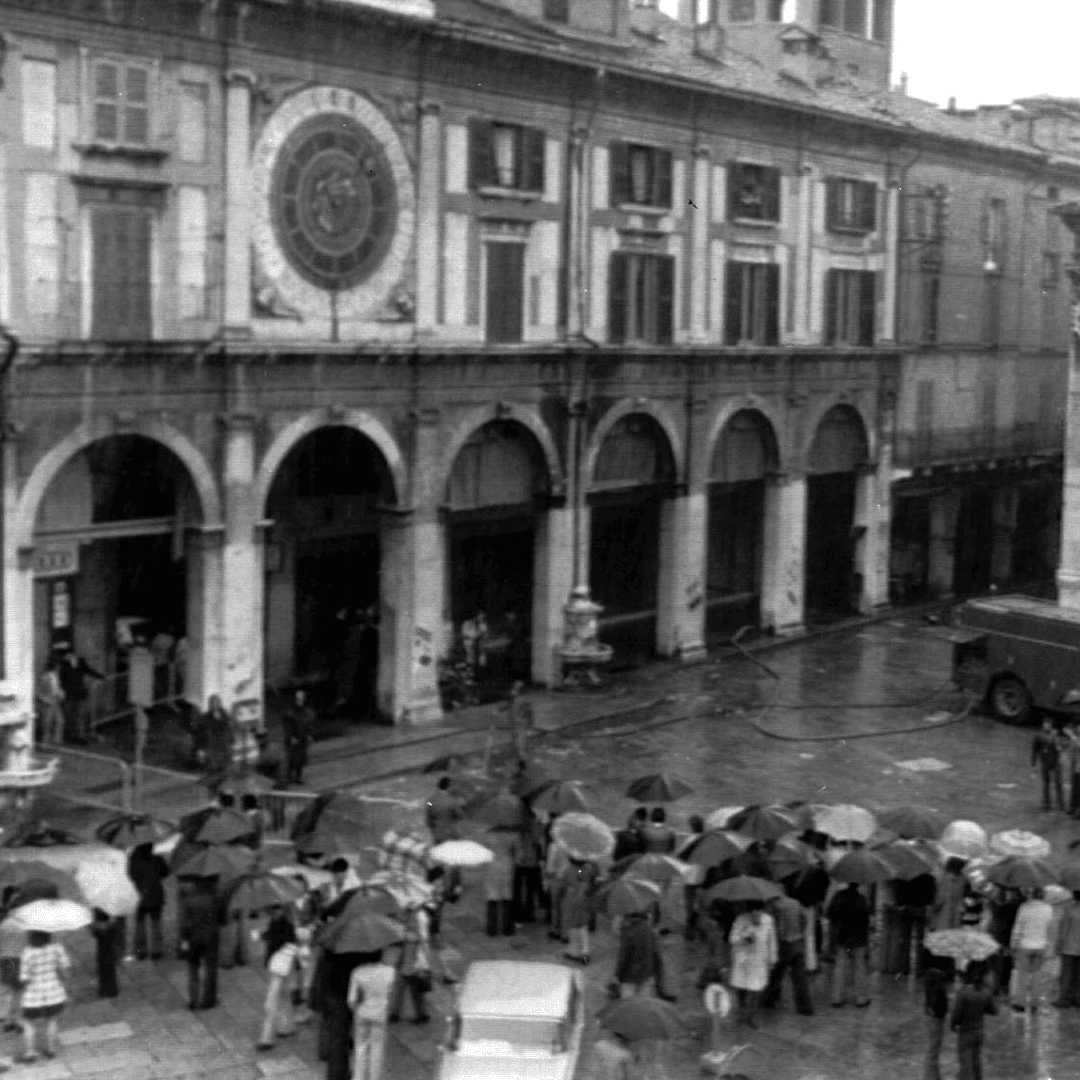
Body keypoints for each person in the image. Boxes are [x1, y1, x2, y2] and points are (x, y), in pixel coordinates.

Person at [17, 930, 71, 1062]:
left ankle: (30, 1052)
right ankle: (51, 1049)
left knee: (28, 1022)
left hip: (33, 997)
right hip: (54, 993)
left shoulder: (27, 952)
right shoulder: (57, 948)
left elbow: (24, 978)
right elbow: (65, 969)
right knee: (52, 1020)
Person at [346, 950, 396, 1080]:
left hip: (362, 1013)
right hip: (380, 1013)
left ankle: (358, 1077)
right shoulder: (390, 971)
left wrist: (356, 1011)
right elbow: (391, 995)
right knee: (377, 1049)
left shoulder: (357, 972)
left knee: (360, 1047)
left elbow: (351, 999)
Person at [762, 890, 813, 1015]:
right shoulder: (796, 903)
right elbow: (804, 920)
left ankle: (769, 999)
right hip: (797, 941)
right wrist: (800, 933)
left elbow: (776, 926)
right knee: (800, 977)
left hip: (784, 944)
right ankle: (805, 1007)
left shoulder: (775, 906)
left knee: (776, 974)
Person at [728, 900, 777, 1028]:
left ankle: (751, 1015)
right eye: (754, 912)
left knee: (757, 989)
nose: (757, 915)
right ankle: (742, 1010)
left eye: (759, 912)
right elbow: (732, 938)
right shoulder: (740, 919)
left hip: (759, 960)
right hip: (743, 960)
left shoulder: (768, 920)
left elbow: (772, 941)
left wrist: (772, 958)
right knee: (741, 988)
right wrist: (744, 937)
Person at [826, 882, 871, 1007]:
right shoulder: (861, 899)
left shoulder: (838, 896)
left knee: (840, 966)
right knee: (859, 966)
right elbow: (866, 920)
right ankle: (861, 998)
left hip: (842, 937)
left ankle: (837, 998)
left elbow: (829, 914)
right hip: (859, 939)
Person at [258, 911, 298, 1050]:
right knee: (284, 996)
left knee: (271, 1002)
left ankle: (266, 1039)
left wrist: (263, 936)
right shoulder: (288, 925)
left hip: (279, 965)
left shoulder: (278, 924)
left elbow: (274, 939)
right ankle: (287, 1027)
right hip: (286, 963)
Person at [1009, 887, 1053, 1012]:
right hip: (1041, 946)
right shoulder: (1049, 909)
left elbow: (1017, 928)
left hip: (1025, 945)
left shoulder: (1024, 907)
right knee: (1037, 975)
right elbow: (1049, 929)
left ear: (1031, 894)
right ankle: (1035, 1004)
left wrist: (1013, 945)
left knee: (1022, 975)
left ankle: (1020, 1003)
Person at [181, 878, 222, 1010]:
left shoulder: (188, 900)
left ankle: (194, 1000)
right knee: (210, 969)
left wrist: (184, 939)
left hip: (194, 938)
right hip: (211, 937)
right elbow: (222, 918)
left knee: (193, 969)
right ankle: (208, 1000)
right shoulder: (215, 899)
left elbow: (184, 923)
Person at [615, 910, 674, 1000]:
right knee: (643, 1004)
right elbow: (656, 956)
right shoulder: (649, 931)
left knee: (627, 1005)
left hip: (629, 978)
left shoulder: (628, 932)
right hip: (646, 976)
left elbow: (623, 958)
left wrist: (618, 977)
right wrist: (659, 984)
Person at [950, 964, 996, 1080]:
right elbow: (993, 1010)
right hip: (979, 1032)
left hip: (966, 1032)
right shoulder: (985, 992)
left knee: (965, 1064)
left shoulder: (963, 992)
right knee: (976, 1062)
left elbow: (957, 1015)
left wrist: (953, 1025)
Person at [387, 906, 431, 1024]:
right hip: (406, 964)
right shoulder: (411, 921)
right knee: (400, 989)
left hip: (413, 966)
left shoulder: (419, 920)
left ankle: (420, 1015)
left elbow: (421, 940)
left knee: (413, 992)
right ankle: (395, 1013)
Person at [128, 841, 169, 960]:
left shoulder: (133, 860)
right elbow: (165, 872)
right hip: (156, 895)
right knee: (156, 923)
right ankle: (157, 950)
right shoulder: (157, 858)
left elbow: (130, 875)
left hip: (139, 895)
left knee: (140, 924)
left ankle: (141, 950)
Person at [56, 647, 103, 743]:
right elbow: (61, 679)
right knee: (70, 716)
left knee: (80, 716)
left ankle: (80, 736)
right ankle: (71, 736)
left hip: (80, 693)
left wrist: (100, 676)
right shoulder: (63, 665)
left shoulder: (81, 662)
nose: (66, 658)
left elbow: (88, 670)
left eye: (68, 656)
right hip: (69, 694)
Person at [561, 856, 599, 964]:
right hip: (584, 898)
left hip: (572, 898)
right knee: (582, 926)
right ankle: (584, 952)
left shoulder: (570, 870)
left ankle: (574, 952)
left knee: (573, 926)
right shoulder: (587, 869)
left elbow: (565, 884)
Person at [484, 827, 519, 937]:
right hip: (507, 865)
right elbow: (516, 852)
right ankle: (507, 927)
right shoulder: (512, 834)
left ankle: (492, 928)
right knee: (506, 897)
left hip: (492, 865)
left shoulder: (489, 834)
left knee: (492, 897)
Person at [923, 956, 952, 1080]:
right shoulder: (937, 979)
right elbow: (936, 999)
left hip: (931, 1015)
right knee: (933, 1049)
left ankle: (935, 1076)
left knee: (933, 1047)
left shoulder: (930, 975)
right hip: (936, 1016)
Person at [1031, 716, 1067, 812]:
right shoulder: (1038, 736)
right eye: (1045, 725)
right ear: (1043, 726)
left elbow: (1063, 745)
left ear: (1051, 725)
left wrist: (1062, 747)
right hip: (1045, 763)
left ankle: (1061, 804)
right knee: (1046, 785)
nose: (1047, 727)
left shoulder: (1056, 734)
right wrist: (1033, 766)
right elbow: (1035, 752)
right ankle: (1047, 804)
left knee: (1058, 784)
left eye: (1048, 725)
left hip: (1056, 763)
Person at [1053, 889, 1080, 1008]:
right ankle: (1077, 998)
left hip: (1069, 947)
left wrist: (1058, 944)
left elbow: (1063, 929)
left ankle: (1064, 999)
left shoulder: (1070, 908)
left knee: (1066, 974)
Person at [282, 689, 314, 786]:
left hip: (302, 737)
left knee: (301, 759)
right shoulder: (290, 711)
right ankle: (288, 777)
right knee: (291, 758)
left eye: (302, 698)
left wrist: (308, 735)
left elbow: (307, 723)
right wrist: (291, 737)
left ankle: (298, 777)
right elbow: (287, 725)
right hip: (293, 738)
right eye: (298, 698)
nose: (300, 700)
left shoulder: (305, 710)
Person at [89, 908, 121, 998]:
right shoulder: (112, 926)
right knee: (111, 971)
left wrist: (91, 925)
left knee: (102, 971)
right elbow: (117, 931)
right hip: (111, 951)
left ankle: (103, 990)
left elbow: (94, 934)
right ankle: (112, 990)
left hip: (101, 952)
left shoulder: (97, 927)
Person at [932, 857, 967, 931]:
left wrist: (934, 908)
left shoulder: (942, 878)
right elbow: (962, 895)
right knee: (953, 933)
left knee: (942, 933)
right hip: (957, 911)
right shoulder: (963, 879)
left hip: (943, 911)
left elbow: (940, 898)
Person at [35, 659, 64, 746]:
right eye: (58, 666)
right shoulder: (44, 677)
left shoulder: (56, 676)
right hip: (47, 703)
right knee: (47, 724)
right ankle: (45, 742)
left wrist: (60, 693)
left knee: (60, 721)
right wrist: (44, 699)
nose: (59, 668)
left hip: (55, 701)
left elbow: (56, 689)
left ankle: (56, 740)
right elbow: (38, 691)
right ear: (55, 667)